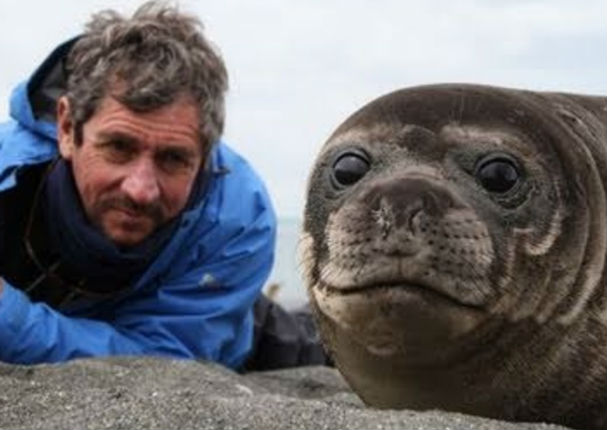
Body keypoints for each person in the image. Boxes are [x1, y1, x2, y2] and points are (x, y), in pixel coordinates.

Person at [0, 2, 326, 370]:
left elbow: (160, 362)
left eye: (173, 159)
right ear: (66, 129)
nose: (140, 190)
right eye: (118, 147)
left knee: (326, 344)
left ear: (204, 156)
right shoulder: (7, 169)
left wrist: (7, 318)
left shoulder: (239, 217)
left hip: (218, 320)